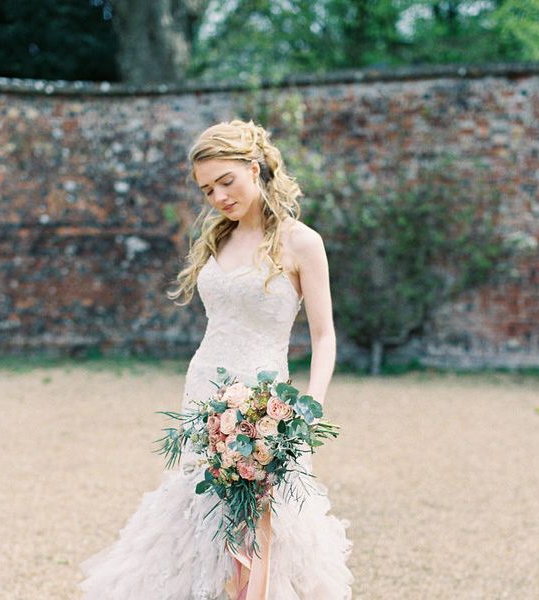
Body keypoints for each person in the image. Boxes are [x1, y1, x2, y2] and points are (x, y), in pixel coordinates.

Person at [79, 119, 353, 599]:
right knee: (198, 509)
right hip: (204, 388)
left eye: (226, 181)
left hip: (266, 401)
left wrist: (313, 404)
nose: (219, 196)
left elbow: (325, 335)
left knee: (265, 515)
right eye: (207, 189)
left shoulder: (302, 242)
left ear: (254, 167)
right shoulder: (215, 238)